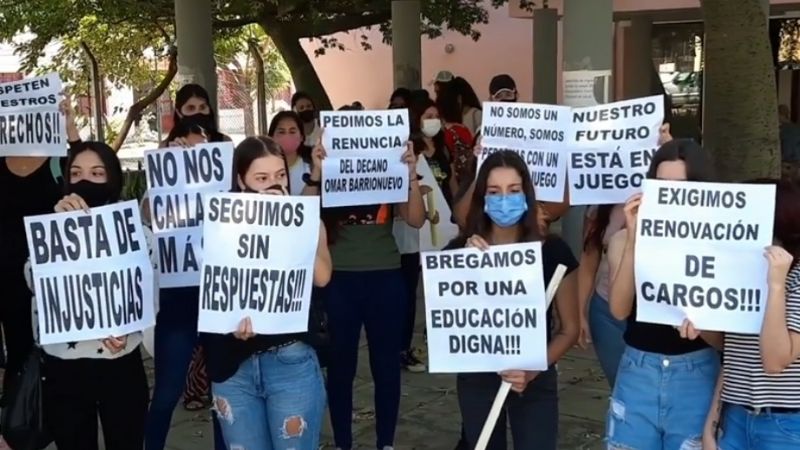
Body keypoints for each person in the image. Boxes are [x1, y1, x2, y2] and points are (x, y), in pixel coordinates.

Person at [204, 136, 331, 449]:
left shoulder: (309, 220)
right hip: (234, 367)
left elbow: (322, 277)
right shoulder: (218, 225)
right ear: (240, 180)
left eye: (279, 176)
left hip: (291, 361)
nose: (273, 185)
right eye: (261, 178)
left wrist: (293, 224)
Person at [27, 141, 155, 449]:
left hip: (120, 362)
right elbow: (34, 281)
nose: (85, 180)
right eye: (76, 172)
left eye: (97, 173)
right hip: (64, 365)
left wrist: (129, 327)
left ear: (112, 178)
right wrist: (58, 228)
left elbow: (147, 291)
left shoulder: (135, 231)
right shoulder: (49, 229)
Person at [302, 133, 425, 450]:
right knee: (341, 367)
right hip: (339, 278)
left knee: (386, 366)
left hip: (385, 276)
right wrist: (316, 172)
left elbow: (415, 219)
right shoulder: (326, 172)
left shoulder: (388, 170)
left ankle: (386, 442)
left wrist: (409, 174)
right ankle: (343, 442)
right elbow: (300, 216)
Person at [455, 150, 579, 450]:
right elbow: (449, 322)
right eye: (494, 192)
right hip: (477, 379)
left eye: (513, 190)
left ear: (527, 195)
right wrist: (463, 267)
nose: (504, 200)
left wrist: (535, 368)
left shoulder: (554, 252)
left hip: (535, 379)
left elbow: (570, 330)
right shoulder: (459, 252)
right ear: (482, 198)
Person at [605, 138, 720, 450]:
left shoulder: (719, 246)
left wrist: (701, 326)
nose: (670, 194)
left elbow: (726, 340)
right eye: (662, 184)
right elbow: (618, 309)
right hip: (638, 372)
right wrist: (633, 236)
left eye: (680, 186)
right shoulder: (622, 240)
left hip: (697, 371)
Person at [146, 85, 227, 450]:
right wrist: (165, 173)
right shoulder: (165, 158)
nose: (196, 112)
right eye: (188, 108)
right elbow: (149, 215)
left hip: (219, 295)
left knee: (224, 393)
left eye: (202, 106)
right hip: (178, 299)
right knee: (165, 392)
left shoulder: (227, 155)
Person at [0, 96, 78, 405]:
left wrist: (70, 128)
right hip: (7, 275)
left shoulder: (59, 160)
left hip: (52, 272)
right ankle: (20, 416)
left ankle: (61, 412)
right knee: (18, 347)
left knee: (59, 346)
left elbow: (90, 173)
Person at [575, 204, 627, 388]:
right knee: (620, 385)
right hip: (607, 313)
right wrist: (580, 313)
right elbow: (589, 259)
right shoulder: (601, 204)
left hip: (654, 315)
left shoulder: (670, 201)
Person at [167, 83, 231, 145]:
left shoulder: (225, 142)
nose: (197, 112)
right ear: (179, 112)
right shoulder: (165, 146)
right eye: (191, 108)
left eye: (202, 107)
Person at [268, 111, 314, 195]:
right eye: (281, 132)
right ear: (271, 137)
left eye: (292, 132)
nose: (287, 136)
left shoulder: (312, 166)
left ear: (301, 137)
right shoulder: (262, 167)